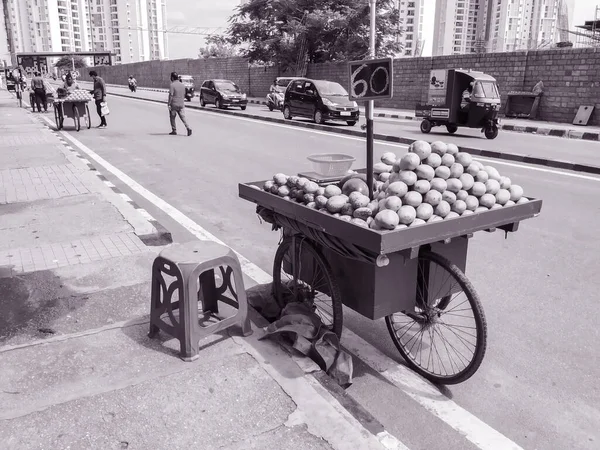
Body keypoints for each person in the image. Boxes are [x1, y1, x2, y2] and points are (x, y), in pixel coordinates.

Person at [168, 71, 192, 136]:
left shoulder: (172, 85)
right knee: (183, 117)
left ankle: (174, 130)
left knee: (172, 117)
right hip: (181, 104)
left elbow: (171, 95)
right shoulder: (182, 85)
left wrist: (169, 104)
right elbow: (184, 95)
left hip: (174, 105)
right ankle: (188, 127)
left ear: (172, 78)